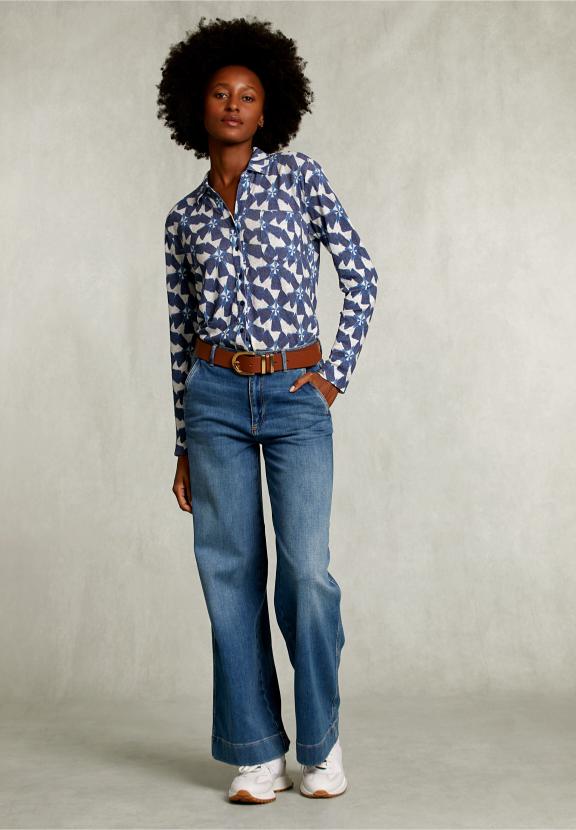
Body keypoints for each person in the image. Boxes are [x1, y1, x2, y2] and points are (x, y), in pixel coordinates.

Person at [156, 15, 378, 804]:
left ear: (268, 106)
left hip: (294, 395)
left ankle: (320, 744)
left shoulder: (300, 178)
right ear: (197, 104)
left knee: (306, 573)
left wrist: (332, 376)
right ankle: (256, 752)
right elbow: (179, 335)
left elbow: (362, 275)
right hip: (214, 398)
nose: (233, 104)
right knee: (229, 575)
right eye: (221, 93)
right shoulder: (184, 218)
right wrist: (183, 443)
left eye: (247, 95)